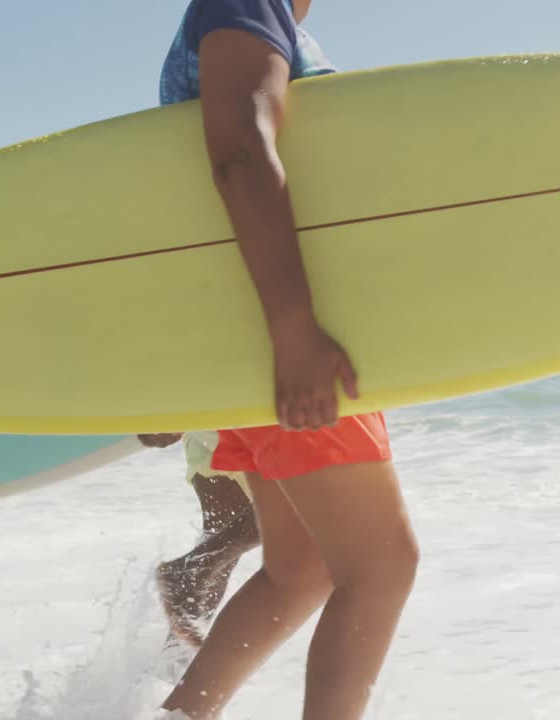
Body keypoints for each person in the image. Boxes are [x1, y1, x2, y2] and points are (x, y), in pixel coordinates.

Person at [155, 2, 420, 718]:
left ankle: (184, 715)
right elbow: (237, 150)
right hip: (287, 342)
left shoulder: (250, 20)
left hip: (261, 343)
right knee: (381, 568)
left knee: (299, 571)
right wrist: (296, 328)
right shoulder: (244, 3)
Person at [139, 431, 260, 648]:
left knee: (220, 551)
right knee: (298, 513)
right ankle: (190, 570)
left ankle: (174, 665)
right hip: (264, 426)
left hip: (212, 427)